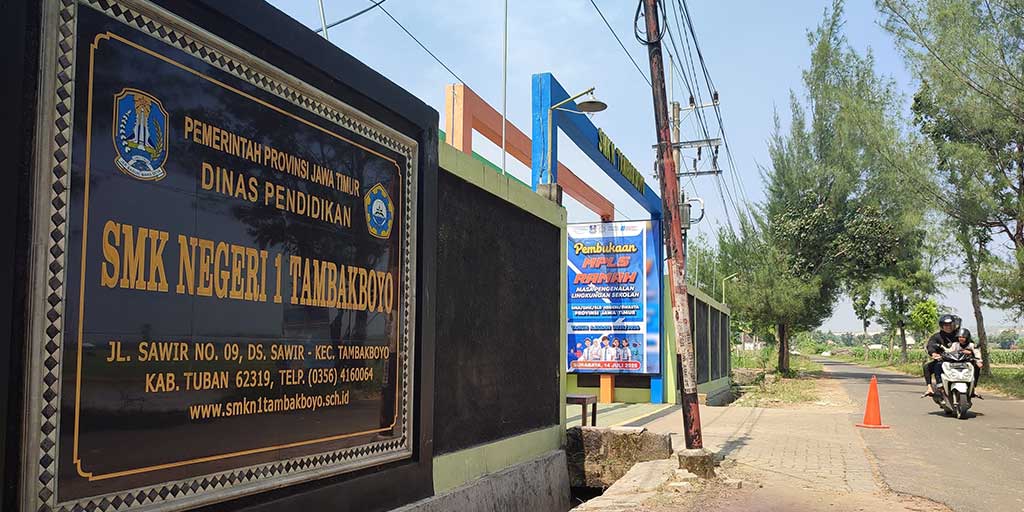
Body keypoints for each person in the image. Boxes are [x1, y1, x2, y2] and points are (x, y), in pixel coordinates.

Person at [923, 314, 959, 396]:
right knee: (927, 367)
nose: (948, 327)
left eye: (950, 324)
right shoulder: (936, 336)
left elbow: (969, 343)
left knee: (975, 365)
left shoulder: (960, 335)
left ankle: (973, 388)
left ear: (954, 324)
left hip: (960, 360)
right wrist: (933, 353)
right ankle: (929, 388)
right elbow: (931, 345)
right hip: (943, 360)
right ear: (942, 326)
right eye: (946, 325)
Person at [949, 328, 983, 394]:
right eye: (959, 337)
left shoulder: (971, 345)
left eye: (963, 337)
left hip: (968, 363)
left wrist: (978, 361)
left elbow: (977, 353)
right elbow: (949, 351)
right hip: (956, 363)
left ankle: (974, 387)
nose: (961, 339)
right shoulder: (955, 345)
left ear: (967, 338)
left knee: (977, 368)